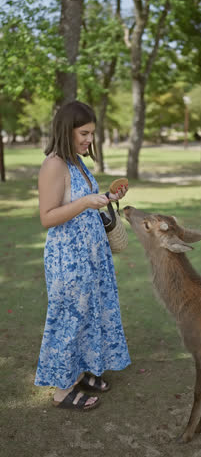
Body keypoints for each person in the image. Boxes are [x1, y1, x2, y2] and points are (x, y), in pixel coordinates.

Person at [34, 100, 131, 410]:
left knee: (91, 315)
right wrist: (86, 202)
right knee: (69, 319)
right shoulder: (54, 164)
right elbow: (47, 217)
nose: (90, 139)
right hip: (69, 257)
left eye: (92, 133)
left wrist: (108, 198)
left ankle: (82, 372)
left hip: (92, 253)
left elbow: (85, 200)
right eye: (84, 133)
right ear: (67, 131)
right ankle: (63, 390)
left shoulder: (77, 160)